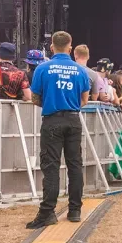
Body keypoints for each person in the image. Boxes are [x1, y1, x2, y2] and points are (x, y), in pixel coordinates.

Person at [26, 31, 90, 228]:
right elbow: (85, 100)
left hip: (52, 120)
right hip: (73, 119)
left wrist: (51, 102)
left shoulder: (42, 69)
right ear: (70, 47)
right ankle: (75, 210)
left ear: (52, 47)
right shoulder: (80, 71)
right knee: (75, 165)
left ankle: (47, 212)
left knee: (51, 166)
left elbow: (35, 98)